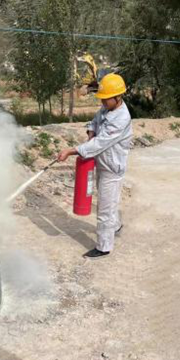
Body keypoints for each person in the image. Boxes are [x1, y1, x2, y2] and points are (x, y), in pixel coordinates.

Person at [58, 73, 133, 259]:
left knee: (104, 209)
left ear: (118, 97)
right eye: (102, 99)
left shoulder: (121, 118)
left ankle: (104, 247)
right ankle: (115, 226)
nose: (103, 102)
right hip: (102, 163)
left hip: (112, 169)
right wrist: (91, 131)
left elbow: (99, 144)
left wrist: (71, 151)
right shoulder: (107, 108)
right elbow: (95, 121)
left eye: (106, 99)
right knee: (109, 201)